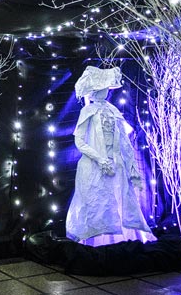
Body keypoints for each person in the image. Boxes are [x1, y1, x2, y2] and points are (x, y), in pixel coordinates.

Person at [67, 65, 156, 247]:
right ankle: (95, 242)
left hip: (116, 164)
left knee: (119, 201)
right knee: (97, 202)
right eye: (102, 89)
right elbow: (80, 141)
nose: (106, 92)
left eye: (107, 89)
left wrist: (131, 167)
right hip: (94, 165)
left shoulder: (113, 110)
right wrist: (99, 159)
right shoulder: (88, 111)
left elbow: (124, 141)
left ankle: (120, 239)